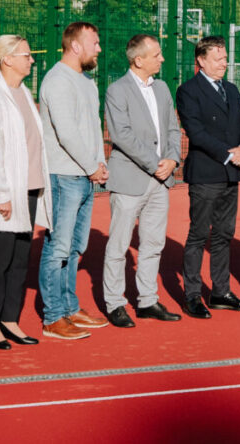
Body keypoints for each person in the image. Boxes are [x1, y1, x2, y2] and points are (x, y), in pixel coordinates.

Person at [0, 35, 52, 350]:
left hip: (30, 189)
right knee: (0, 259)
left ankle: (9, 320)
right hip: (7, 194)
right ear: (8, 59)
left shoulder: (24, 92)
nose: (31, 60)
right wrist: (0, 192)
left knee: (21, 259)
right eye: (26, 55)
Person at [103, 35, 182, 327]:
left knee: (152, 243)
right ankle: (115, 303)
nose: (162, 59)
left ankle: (147, 300)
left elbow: (173, 129)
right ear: (139, 60)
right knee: (119, 245)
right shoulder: (117, 90)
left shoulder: (162, 88)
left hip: (161, 180)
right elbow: (121, 135)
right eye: (157, 55)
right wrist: (155, 164)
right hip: (130, 179)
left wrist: (172, 160)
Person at [38, 22, 109, 340]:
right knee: (58, 247)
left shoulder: (87, 81)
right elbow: (65, 132)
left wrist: (100, 163)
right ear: (75, 46)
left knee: (76, 247)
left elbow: (92, 128)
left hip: (85, 175)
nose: (99, 48)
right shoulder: (56, 80)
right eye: (94, 42)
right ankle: (53, 317)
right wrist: (91, 166)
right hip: (63, 175)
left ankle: (69, 308)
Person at [175, 35, 240, 319]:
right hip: (206, 174)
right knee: (198, 235)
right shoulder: (188, 91)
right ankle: (193, 295)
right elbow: (196, 132)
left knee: (223, 235)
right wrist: (229, 153)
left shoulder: (231, 90)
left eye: (225, 58)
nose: (225, 63)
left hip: (231, 174)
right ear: (201, 60)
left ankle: (221, 292)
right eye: (219, 58)